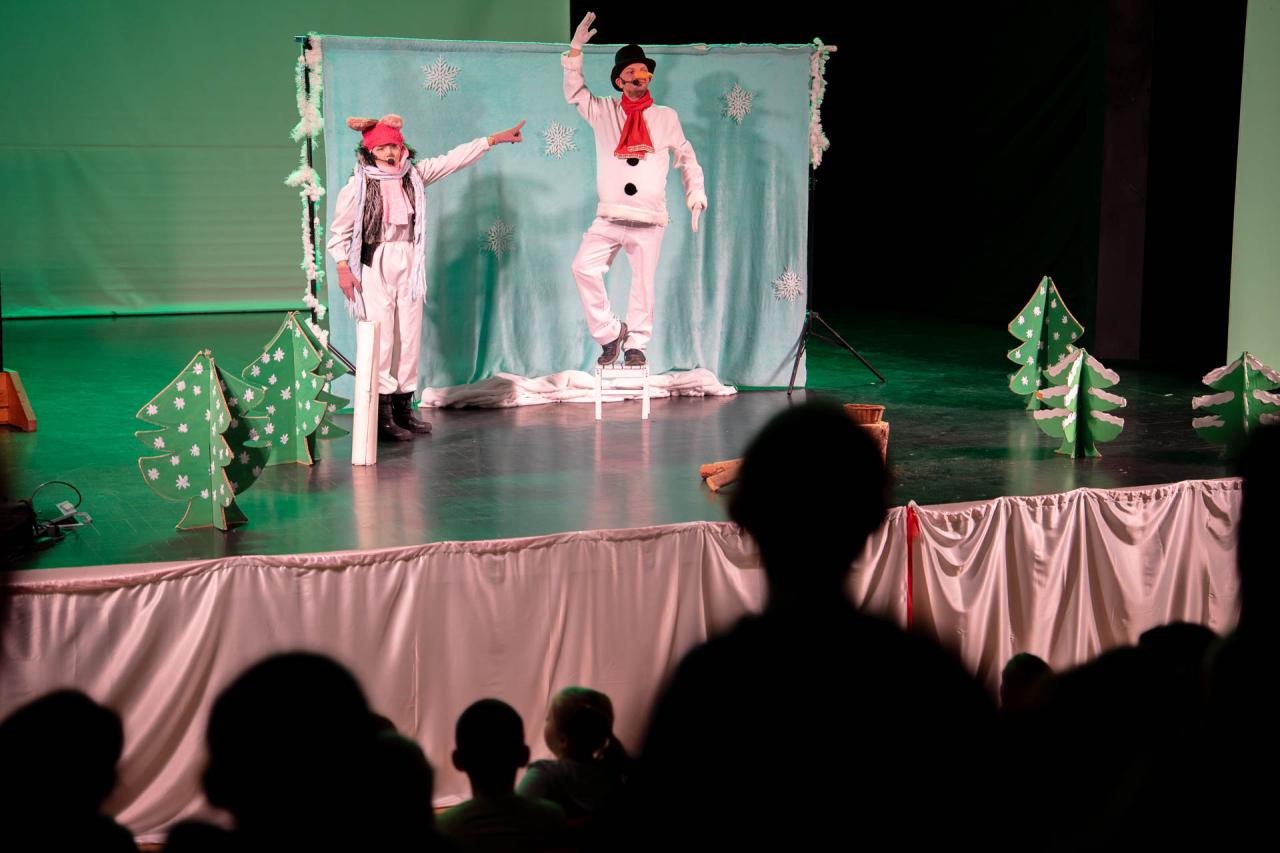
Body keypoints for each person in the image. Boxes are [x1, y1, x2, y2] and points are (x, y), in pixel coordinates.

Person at [327, 113, 524, 440]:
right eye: (382, 148)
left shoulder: (414, 176)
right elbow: (340, 233)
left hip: (409, 257)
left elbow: (451, 161)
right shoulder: (358, 186)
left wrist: (491, 140)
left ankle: (403, 409)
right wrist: (342, 267)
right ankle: (381, 415)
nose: (389, 153)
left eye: (394, 146)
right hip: (375, 258)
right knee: (382, 337)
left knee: (409, 335)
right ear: (370, 152)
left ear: (402, 148)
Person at [563, 11, 707, 367]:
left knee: (643, 284)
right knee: (583, 267)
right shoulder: (603, 112)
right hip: (610, 217)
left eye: (643, 71)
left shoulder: (665, 117)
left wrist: (695, 195)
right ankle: (610, 333)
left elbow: (686, 157)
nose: (639, 76)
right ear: (619, 81)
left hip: (649, 218)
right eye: (631, 72)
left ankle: (637, 345)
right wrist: (575, 50)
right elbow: (576, 93)